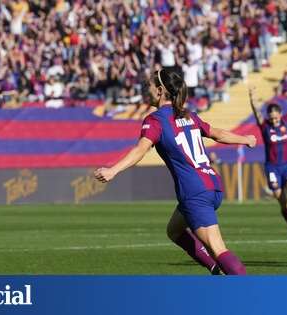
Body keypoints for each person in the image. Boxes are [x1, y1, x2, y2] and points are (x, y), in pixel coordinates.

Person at [94, 68, 257, 275]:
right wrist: (246, 139)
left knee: (217, 248)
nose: (146, 90)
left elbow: (140, 150)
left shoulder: (155, 120)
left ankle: (251, 296)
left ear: (161, 90)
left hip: (194, 191)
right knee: (174, 230)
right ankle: (216, 268)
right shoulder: (189, 115)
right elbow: (217, 134)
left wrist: (113, 170)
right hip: (212, 185)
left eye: (149, 87)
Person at [248, 86, 287, 240]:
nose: (274, 120)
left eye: (276, 117)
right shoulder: (265, 127)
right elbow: (257, 113)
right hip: (272, 169)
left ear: (280, 115)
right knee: (282, 202)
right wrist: (252, 99)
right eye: (272, 118)